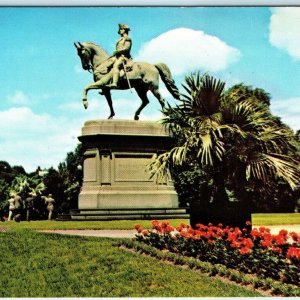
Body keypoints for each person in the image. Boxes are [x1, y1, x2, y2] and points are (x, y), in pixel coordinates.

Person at [106, 23, 132, 89]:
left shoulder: (127, 39)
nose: (120, 31)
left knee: (116, 65)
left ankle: (114, 83)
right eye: (120, 29)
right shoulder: (120, 39)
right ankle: (106, 83)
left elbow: (126, 49)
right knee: (107, 65)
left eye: (121, 29)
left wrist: (117, 51)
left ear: (125, 30)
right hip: (117, 57)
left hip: (124, 57)